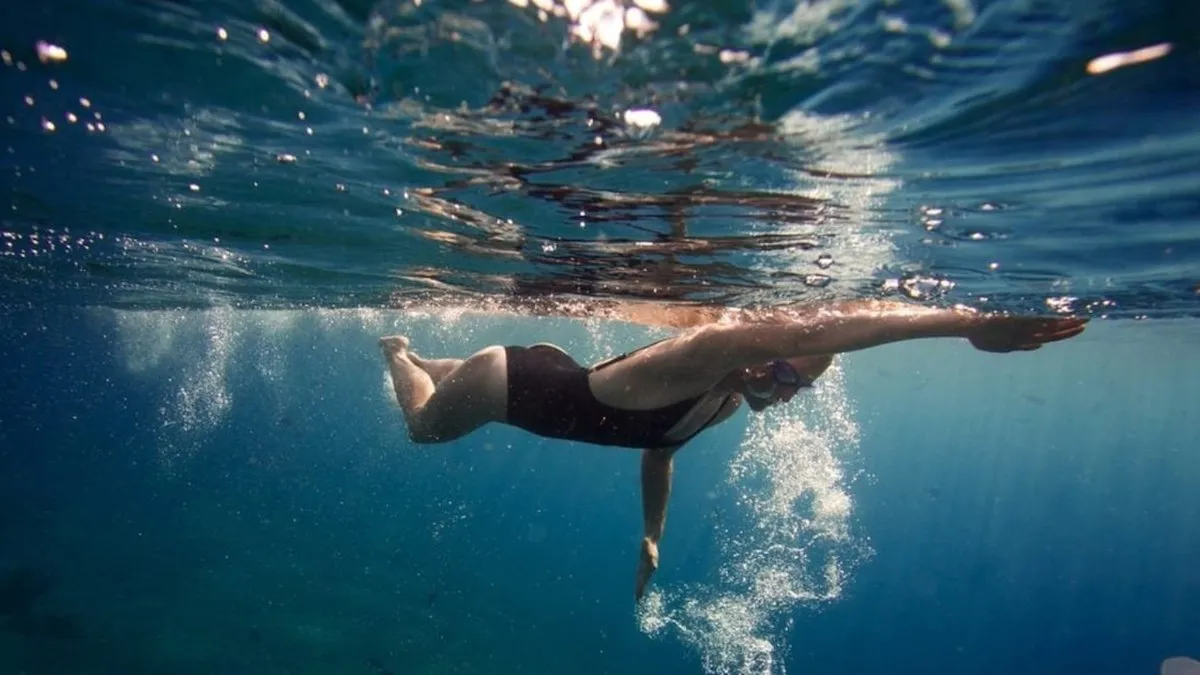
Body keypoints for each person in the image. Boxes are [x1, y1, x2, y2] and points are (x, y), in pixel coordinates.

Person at [379, 299, 1086, 600]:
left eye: (796, 388)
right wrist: (963, 323)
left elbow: (661, 449)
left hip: (540, 370)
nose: (780, 391)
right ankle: (402, 350)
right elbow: (818, 328)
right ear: (760, 354)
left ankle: (442, 366)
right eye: (779, 370)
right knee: (421, 428)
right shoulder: (701, 360)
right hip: (508, 382)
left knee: (455, 387)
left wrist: (651, 535)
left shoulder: (718, 403)